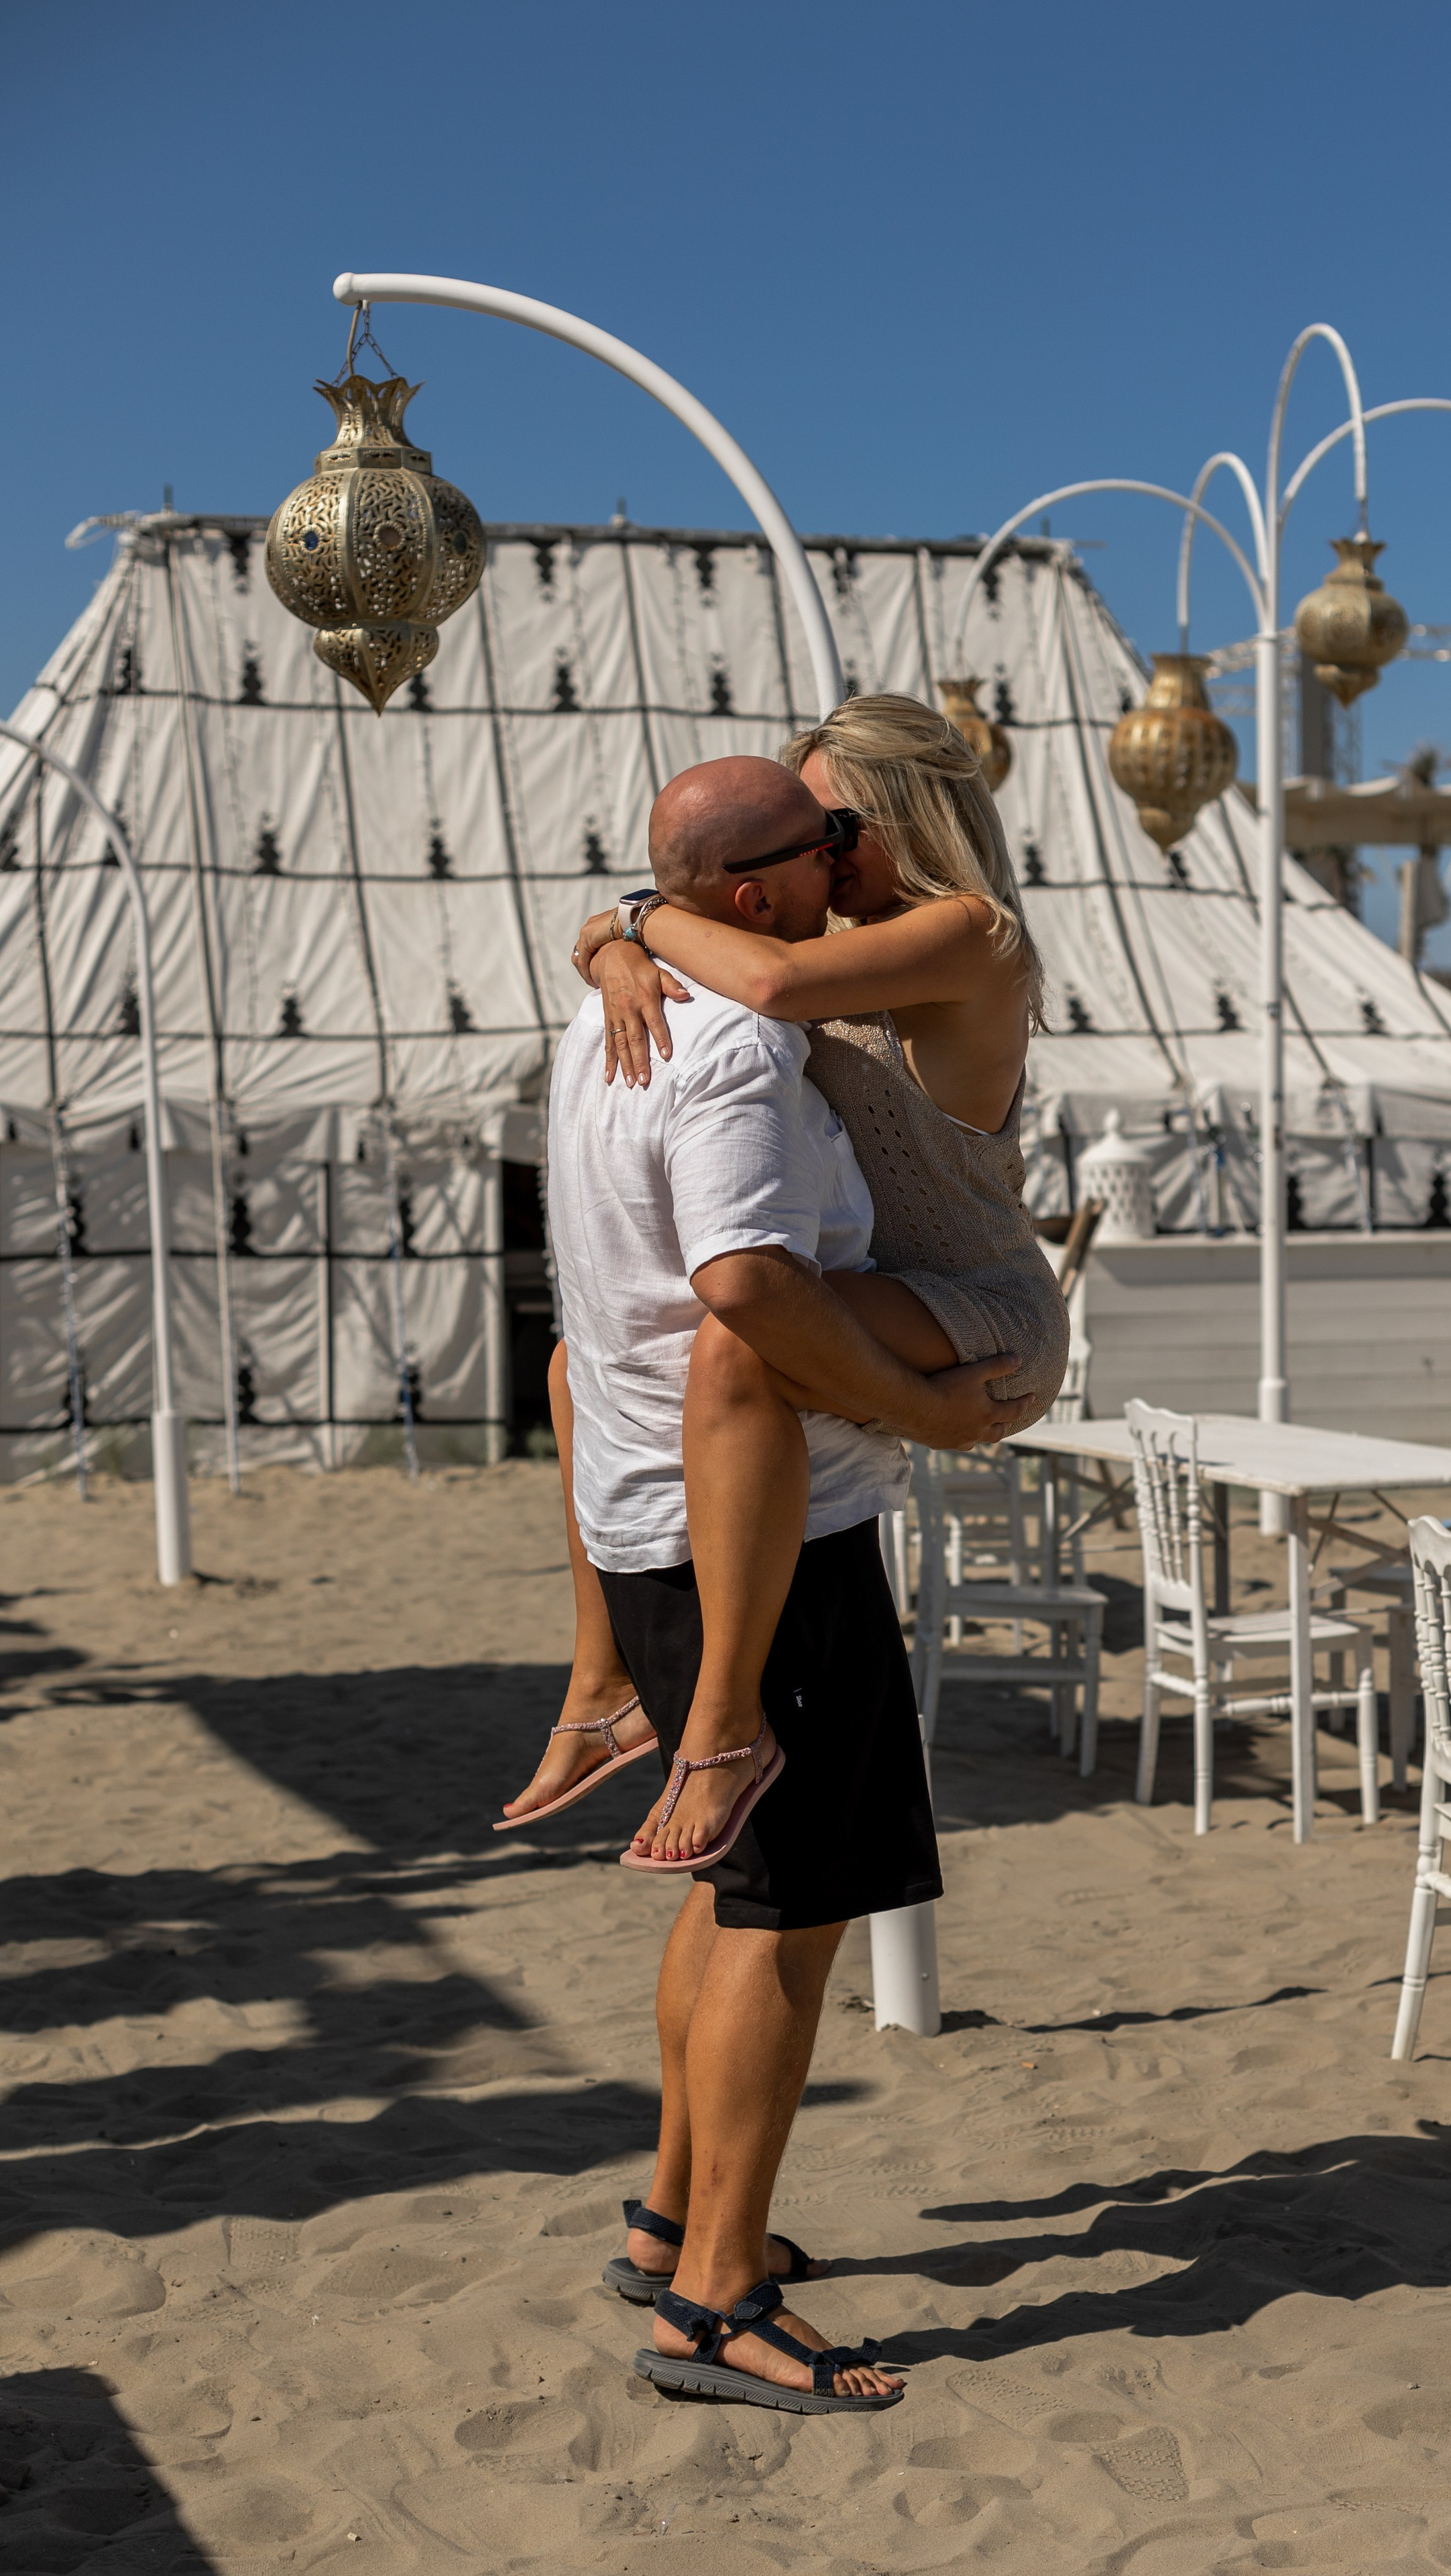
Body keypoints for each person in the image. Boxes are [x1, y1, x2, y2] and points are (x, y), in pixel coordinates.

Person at [538, 752, 1032, 2410]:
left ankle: (673, 2220)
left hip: (655, 1518)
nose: (838, 861)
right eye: (818, 842)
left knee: (730, 1888)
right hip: (769, 1533)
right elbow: (747, 1289)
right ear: (756, 888)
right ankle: (715, 2299)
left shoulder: (607, 1020)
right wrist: (920, 1411)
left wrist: (620, 931)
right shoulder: (741, 1042)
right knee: (790, 1914)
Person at [526, 693, 1067, 1874]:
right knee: (580, 1364)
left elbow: (764, 978)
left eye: (837, 827)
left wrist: (635, 921)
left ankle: (724, 1724)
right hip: (882, 1287)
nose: (823, 853)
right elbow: (711, 931)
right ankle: (603, 1673)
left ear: (909, 813)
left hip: (976, 1303)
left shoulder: (971, 932)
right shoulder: (830, 939)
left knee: (739, 1338)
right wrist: (616, 946)